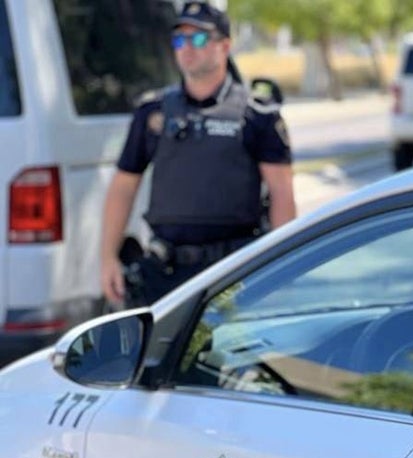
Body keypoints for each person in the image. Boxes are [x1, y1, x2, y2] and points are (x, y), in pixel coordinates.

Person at [100, 1, 296, 308]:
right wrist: (107, 258)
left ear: (225, 46)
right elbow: (124, 186)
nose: (187, 48)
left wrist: (282, 269)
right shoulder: (152, 113)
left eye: (199, 38)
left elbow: (282, 193)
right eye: (180, 39)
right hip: (165, 275)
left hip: (234, 272)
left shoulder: (257, 115)